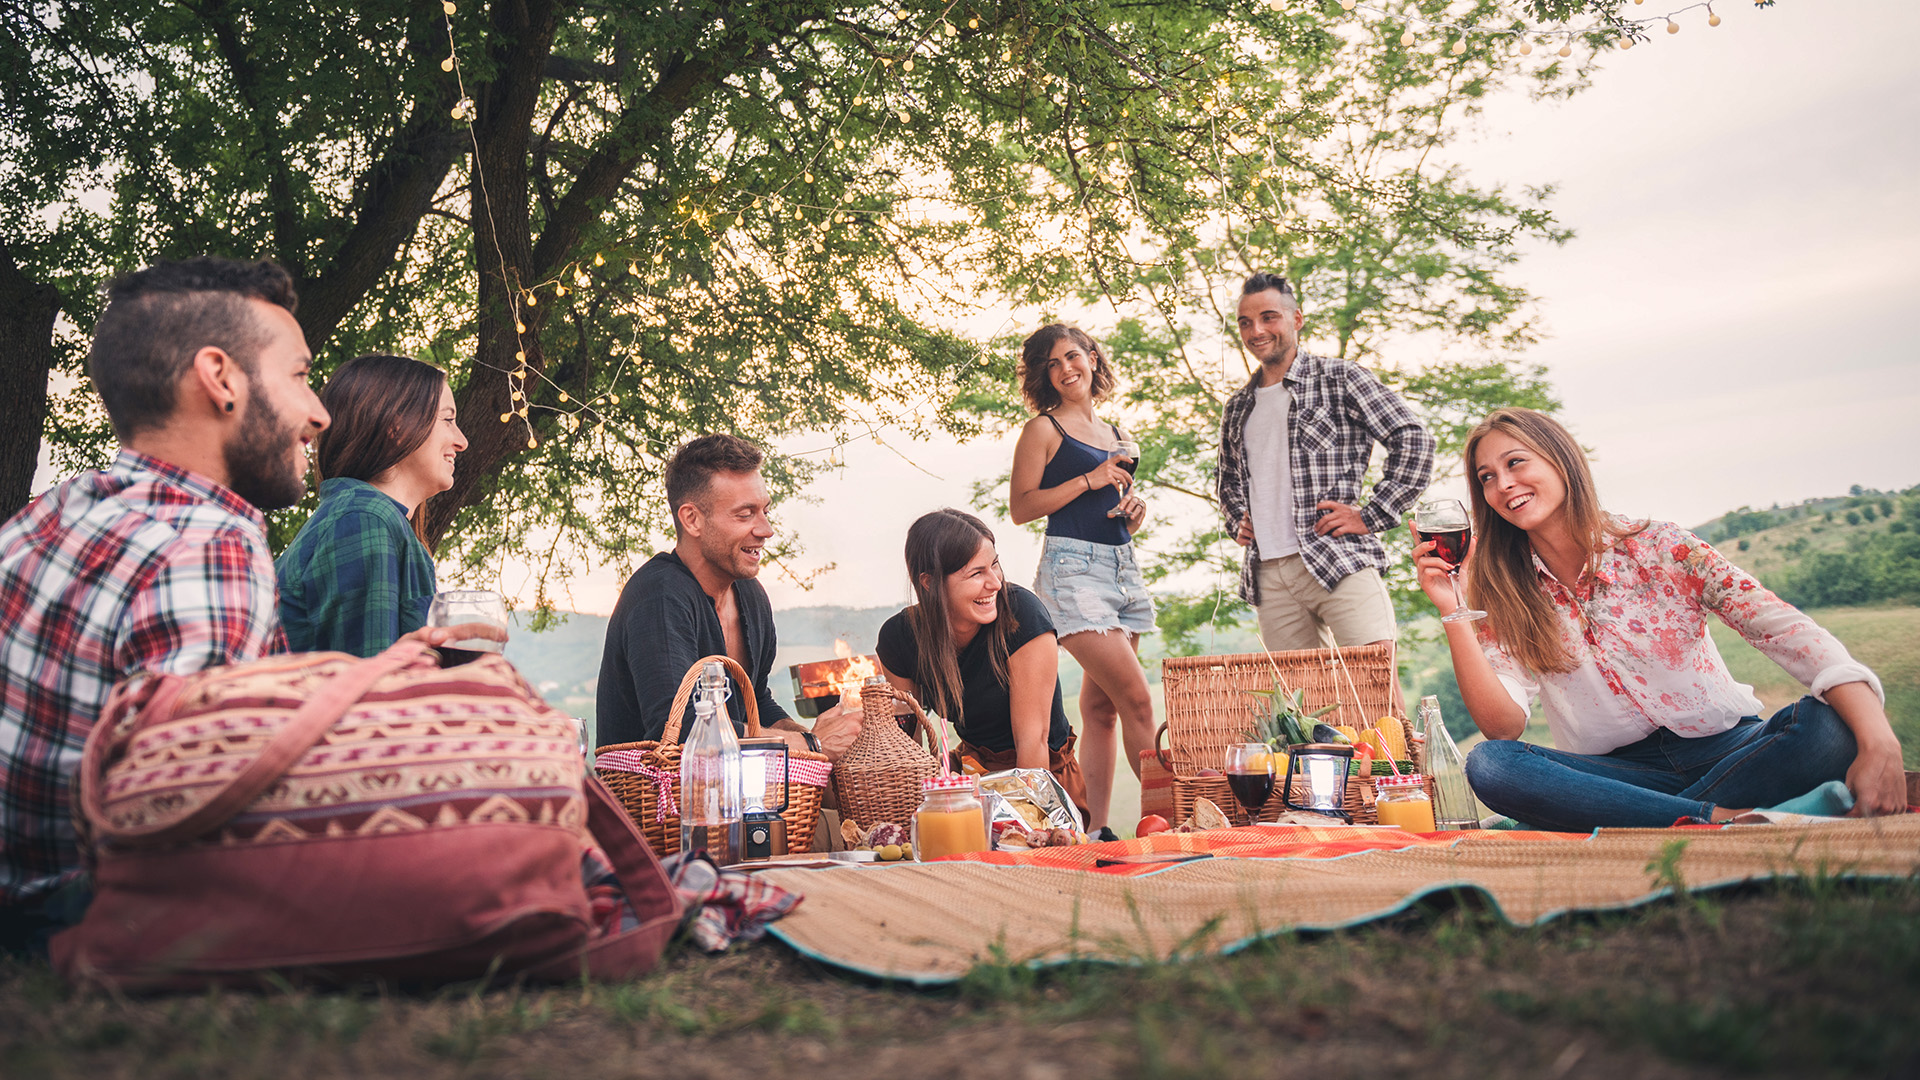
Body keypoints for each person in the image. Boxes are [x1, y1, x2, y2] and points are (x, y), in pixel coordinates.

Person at [0, 257, 323, 954]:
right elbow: (194, 828)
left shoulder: (50, 513)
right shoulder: (209, 541)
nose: (318, 412)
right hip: (72, 918)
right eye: (299, 375)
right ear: (221, 378)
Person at [1413, 407, 1906, 830]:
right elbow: (1502, 727)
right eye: (1486, 477)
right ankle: (1724, 820)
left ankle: (1667, 817)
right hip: (1616, 775)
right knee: (1492, 765)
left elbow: (1785, 631)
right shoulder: (1506, 594)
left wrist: (1878, 737)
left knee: (1830, 722)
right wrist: (1453, 609)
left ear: (1561, 461)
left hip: (1735, 748)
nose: (1503, 485)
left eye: (1515, 462)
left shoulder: (1660, 546)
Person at [597, 434, 860, 761]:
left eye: (765, 510)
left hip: (737, 799)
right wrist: (813, 746)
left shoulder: (750, 594)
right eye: (745, 514)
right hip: (657, 806)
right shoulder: (660, 595)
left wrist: (816, 737)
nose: (766, 529)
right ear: (692, 519)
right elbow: (681, 731)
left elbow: (757, 702)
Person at [1217, 272, 1435, 651]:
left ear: (1296, 319)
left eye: (1269, 317)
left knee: (1376, 686)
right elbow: (1227, 479)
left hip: (1338, 556)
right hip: (1268, 575)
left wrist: (1371, 515)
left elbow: (1413, 438)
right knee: (1300, 705)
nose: (1256, 330)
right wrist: (1238, 519)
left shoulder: (1341, 378)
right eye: (1245, 322)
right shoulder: (1238, 406)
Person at [1008, 324, 1153, 837]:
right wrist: (1089, 479)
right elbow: (1022, 508)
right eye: (1053, 363)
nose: (1066, 368)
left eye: (1073, 356)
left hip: (1121, 568)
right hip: (1073, 573)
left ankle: (1096, 831)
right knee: (1137, 699)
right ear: (1044, 375)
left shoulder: (1116, 435)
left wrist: (1131, 515)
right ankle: (1173, 820)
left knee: (1103, 708)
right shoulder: (1043, 430)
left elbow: (1104, 511)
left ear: (1092, 358)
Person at [875, 509, 1090, 823]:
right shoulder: (900, 639)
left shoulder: (1022, 615)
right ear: (930, 583)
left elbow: (1033, 743)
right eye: (976, 574)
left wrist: (1024, 828)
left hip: (1042, 780)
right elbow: (908, 753)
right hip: (971, 784)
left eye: (995, 565)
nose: (995, 583)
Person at [276, 353, 469, 657]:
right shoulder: (364, 518)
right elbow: (371, 682)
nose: (462, 441)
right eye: (448, 419)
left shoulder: (372, 519)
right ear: (398, 426)